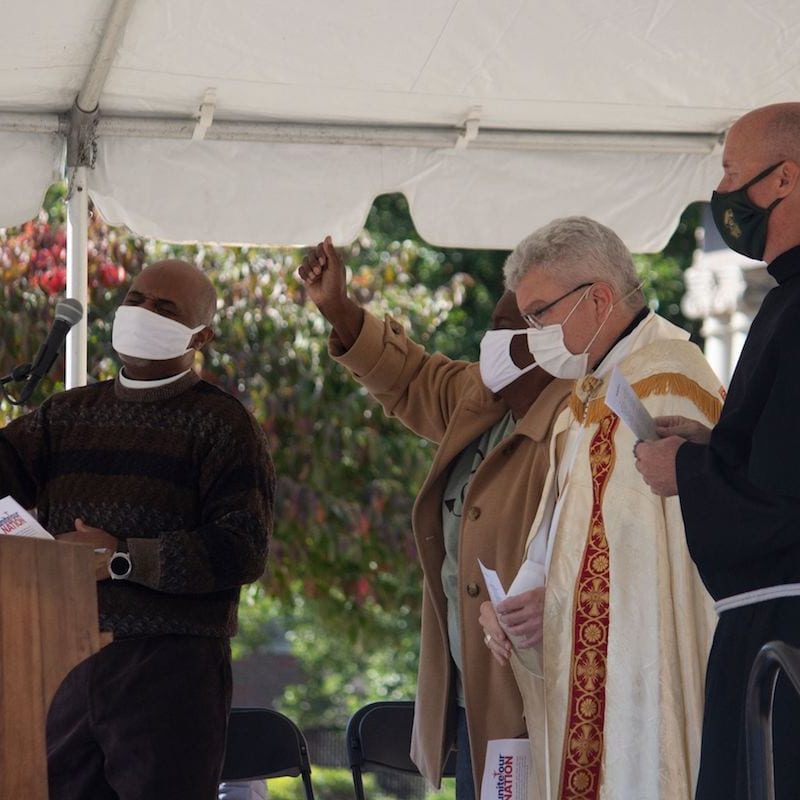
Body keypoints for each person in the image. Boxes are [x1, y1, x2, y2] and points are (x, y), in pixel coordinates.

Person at [298, 237, 573, 800]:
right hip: (473, 697)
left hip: (537, 700)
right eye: (493, 324)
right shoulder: (482, 397)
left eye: (509, 326)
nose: (492, 339)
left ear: (548, 340)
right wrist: (338, 308)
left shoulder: (578, 422)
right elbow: (411, 377)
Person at [0, 259, 275, 799]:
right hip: (61, 660)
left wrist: (122, 557)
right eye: (135, 299)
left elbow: (242, 551)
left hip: (170, 670)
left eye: (164, 308)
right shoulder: (65, 413)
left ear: (202, 335)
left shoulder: (223, 424)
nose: (142, 312)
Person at [479, 216, 723, 800]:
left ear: (599, 298)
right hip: (587, 670)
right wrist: (518, 601)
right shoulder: (586, 395)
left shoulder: (665, 380)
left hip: (640, 681)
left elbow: (648, 565)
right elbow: (563, 531)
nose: (533, 330)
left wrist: (558, 605)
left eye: (540, 312)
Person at [635, 102, 800, 800]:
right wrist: (714, 449)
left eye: (733, 169)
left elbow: (782, 502)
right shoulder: (787, 299)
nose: (724, 189)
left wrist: (692, 474)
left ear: (785, 178)